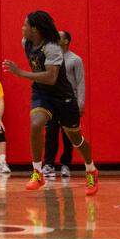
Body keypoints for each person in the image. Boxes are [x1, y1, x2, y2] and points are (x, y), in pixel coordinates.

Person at [2, 10, 99, 195]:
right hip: (42, 93)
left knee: (76, 139)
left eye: (25, 25)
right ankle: (38, 172)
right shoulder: (26, 42)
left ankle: (91, 169)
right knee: (36, 123)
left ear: (35, 29)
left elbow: (51, 77)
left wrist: (20, 73)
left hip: (63, 97)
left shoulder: (52, 47)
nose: (22, 28)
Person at [43, 31, 85, 178]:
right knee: (50, 133)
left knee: (69, 135)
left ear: (66, 41)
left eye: (59, 37)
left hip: (68, 102)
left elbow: (80, 82)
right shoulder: (51, 57)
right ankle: (48, 164)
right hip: (52, 101)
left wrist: (80, 103)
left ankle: (66, 165)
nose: (55, 38)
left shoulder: (75, 60)